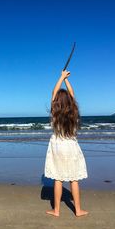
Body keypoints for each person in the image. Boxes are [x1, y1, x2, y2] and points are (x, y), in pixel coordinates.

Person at [44, 70, 88, 217]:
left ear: (56, 102)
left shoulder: (55, 114)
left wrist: (61, 77)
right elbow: (72, 94)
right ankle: (78, 210)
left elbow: (53, 93)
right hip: (71, 146)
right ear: (70, 101)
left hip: (57, 146)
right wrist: (66, 80)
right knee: (74, 179)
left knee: (58, 178)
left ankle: (56, 210)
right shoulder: (73, 112)